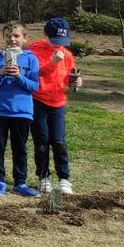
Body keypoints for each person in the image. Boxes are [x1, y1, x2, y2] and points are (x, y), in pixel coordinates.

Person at [28, 17, 82, 196]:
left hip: (58, 102)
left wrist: (75, 81)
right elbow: (37, 73)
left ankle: (64, 178)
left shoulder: (66, 54)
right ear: (45, 34)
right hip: (38, 100)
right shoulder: (34, 50)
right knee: (42, 141)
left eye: (62, 41)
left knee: (59, 142)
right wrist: (53, 62)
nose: (58, 45)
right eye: (55, 41)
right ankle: (43, 177)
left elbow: (68, 76)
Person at [0, 22, 42, 197]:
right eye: (9, 35)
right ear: (4, 37)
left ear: (25, 38)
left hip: (22, 112)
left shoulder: (31, 59)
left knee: (20, 148)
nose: (12, 39)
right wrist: (1, 73)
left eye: (17, 36)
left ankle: (20, 183)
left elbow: (33, 86)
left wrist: (19, 76)